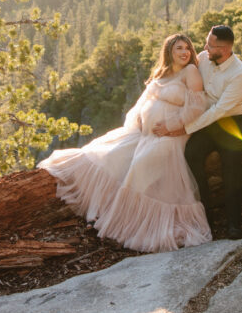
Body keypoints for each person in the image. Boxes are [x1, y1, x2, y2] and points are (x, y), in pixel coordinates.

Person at [38, 33, 211, 253]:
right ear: (169, 51)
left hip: (172, 135)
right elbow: (145, 100)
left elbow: (196, 107)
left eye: (187, 48)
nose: (185, 52)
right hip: (147, 134)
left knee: (140, 164)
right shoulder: (163, 73)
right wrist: (139, 119)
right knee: (110, 154)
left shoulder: (191, 72)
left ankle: (129, 225)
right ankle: (106, 214)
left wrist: (171, 125)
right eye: (179, 48)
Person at [154, 25, 242, 240]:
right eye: (207, 42)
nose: (205, 47)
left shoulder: (239, 73)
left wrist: (183, 128)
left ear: (224, 49)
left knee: (231, 166)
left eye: (210, 44)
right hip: (207, 121)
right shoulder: (205, 57)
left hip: (232, 121)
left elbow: (219, 111)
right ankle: (206, 218)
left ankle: (234, 223)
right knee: (191, 154)